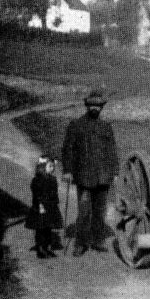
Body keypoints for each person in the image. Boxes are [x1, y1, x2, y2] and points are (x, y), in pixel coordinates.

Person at [61, 90, 119, 256]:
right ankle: (80, 243)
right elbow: (68, 149)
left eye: (98, 105)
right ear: (87, 106)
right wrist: (67, 170)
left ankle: (98, 240)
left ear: (102, 107)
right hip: (84, 176)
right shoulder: (76, 125)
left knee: (100, 211)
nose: (95, 108)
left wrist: (115, 172)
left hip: (103, 176)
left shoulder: (106, 127)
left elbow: (112, 151)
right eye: (92, 105)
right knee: (84, 211)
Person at [25, 156, 63, 258]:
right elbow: (37, 194)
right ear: (42, 167)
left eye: (53, 166)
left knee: (48, 228)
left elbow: (54, 193)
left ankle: (46, 247)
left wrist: (55, 202)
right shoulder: (37, 180)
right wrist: (40, 205)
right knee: (41, 228)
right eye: (50, 166)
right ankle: (40, 249)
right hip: (41, 207)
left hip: (51, 207)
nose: (52, 168)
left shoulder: (53, 179)